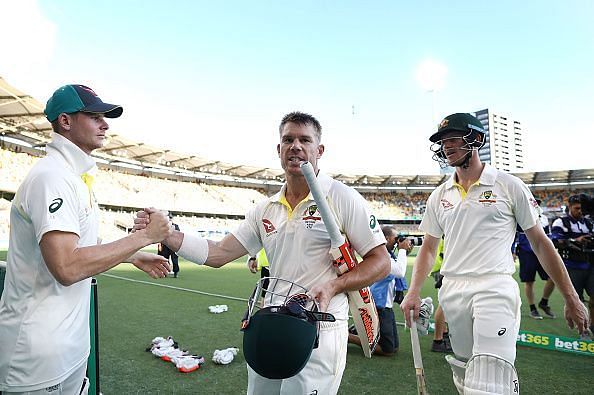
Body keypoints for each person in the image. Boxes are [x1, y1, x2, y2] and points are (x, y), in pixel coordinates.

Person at [135, 111, 390, 395]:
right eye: (288, 139)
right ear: (278, 149)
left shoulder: (342, 197)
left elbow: (381, 263)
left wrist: (335, 285)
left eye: (305, 140)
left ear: (319, 150)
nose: (296, 146)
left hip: (319, 328)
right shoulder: (265, 208)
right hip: (271, 322)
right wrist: (166, 234)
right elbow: (218, 253)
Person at [0, 84, 173, 394]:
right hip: (38, 356)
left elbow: (79, 248)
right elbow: (66, 266)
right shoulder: (52, 176)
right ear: (65, 121)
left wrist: (131, 254)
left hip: (68, 349)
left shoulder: (73, 177)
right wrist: (145, 236)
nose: (105, 124)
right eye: (95, 116)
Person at [400, 113, 589, 394]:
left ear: (476, 139)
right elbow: (428, 248)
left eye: (453, 138)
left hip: (494, 287)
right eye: (443, 141)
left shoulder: (509, 185)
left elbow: (540, 243)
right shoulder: (439, 195)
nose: (446, 146)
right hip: (452, 289)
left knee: (489, 376)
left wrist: (572, 297)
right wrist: (413, 291)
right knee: (464, 372)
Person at [347, 225, 410, 356]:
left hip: (386, 305)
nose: (397, 241)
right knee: (388, 350)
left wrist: (403, 250)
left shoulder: (388, 255)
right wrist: (402, 250)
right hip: (379, 305)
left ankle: (359, 330)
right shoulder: (382, 258)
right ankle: (348, 336)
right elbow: (400, 272)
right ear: (386, 239)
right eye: (395, 238)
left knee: (395, 347)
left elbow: (398, 266)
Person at [551, 194, 594, 336]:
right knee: (576, 300)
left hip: (589, 264)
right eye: (577, 208)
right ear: (569, 207)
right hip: (571, 265)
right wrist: (576, 240)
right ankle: (582, 329)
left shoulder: (589, 223)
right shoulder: (560, 222)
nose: (580, 211)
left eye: (582, 208)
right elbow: (555, 241)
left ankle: (591, 325)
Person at [513, 199, 556, 320]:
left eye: (536, 203)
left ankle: (544, 302)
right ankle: (533, 308)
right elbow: (514, 235)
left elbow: (548, 237)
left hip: (542, 253)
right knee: (529, 281)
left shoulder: (544, 219)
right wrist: (513, 251)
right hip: (527, 253)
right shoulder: (520, 218)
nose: (534, 205)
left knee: (552, 278)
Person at [430, 236, 452, 353]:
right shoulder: (446, 230)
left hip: (440, 267)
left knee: (443, 301)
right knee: (444, 303)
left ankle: (443, 334)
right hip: (443, 268)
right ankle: (437, 341)